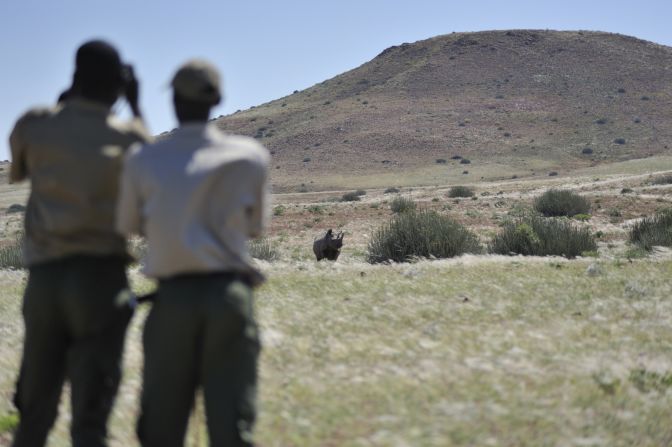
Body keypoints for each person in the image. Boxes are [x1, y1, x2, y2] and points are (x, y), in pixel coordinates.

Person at [116, 59, 270, 447]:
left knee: (161, 427)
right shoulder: (249, 156)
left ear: (173, 101)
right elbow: (255, 228)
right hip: (229, 297)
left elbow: (131, 225)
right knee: (232, 423)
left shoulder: (144, 160)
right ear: (217, 99)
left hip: (172, 300)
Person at [9, 40, 152, 447]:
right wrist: (136, 107)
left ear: (73, 77)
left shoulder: (34, 124)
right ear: (118, 86)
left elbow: (18, 172)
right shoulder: (130, 137)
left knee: (34, 414)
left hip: (45, 282)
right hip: (100, 282)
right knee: (90, 421)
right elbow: (151, 176)